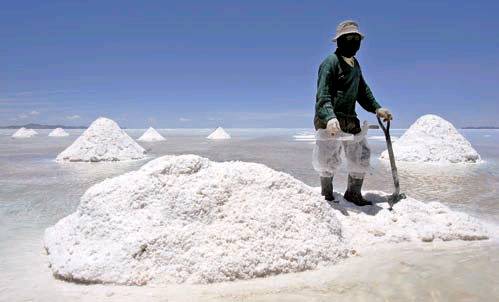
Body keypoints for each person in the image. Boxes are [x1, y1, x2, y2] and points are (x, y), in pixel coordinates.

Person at [313, 20, 392, 206]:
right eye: (349, 38)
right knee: (327, 158)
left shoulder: (355, 65)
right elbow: (323, 95)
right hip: (329, 120)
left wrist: (377, 108)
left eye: (356, 39)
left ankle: (353, 193)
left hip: (349, 119)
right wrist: (330, 117)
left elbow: (363, 91)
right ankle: (326, 195)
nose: (354, 42)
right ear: (339, 41)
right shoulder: (330, 63)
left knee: (361, 154)